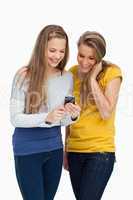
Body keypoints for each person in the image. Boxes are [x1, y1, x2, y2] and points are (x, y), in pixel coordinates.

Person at [10, 25, 80, 200]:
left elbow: (62, 120)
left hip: (54, 149)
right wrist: (46, 117)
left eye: (62, 51)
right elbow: (15, 118)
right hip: (27, 150)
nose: (57, 56)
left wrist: (73, 115)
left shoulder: (67, 77)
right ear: (42, 47)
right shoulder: (23, 75)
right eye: (52, 50)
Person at [64, 31, 122, 200]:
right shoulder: (71, 73)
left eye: (91, 58)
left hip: (100, 153)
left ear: (99, 58)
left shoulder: (112, 73)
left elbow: (106, 112)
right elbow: (69, 115)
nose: (84, 62)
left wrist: (91, 80)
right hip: (75, 151)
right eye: (81, 55)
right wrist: (66, 150)